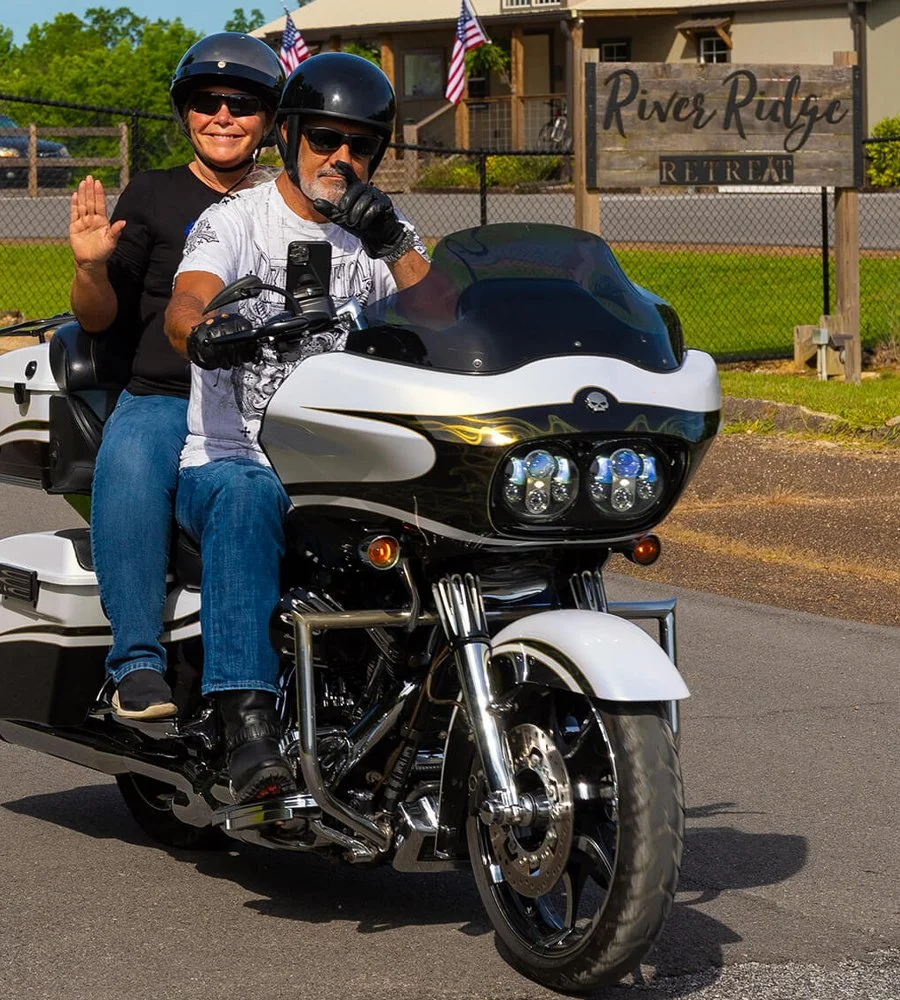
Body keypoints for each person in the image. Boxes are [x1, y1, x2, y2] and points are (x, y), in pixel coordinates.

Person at [163, 52, 430, 803]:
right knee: (248, 498)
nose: (341, 159)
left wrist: (394, 246)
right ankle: (246, 726)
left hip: (343, 469)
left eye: (360, 146)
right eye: (325, 140)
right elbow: (187, 300)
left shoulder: (379, 232)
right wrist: (203, 331)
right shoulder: (235, 219)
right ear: (289, 138)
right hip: (229, 457)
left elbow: (447, 315)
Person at [68, 33, 285, 722]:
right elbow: (99, 321)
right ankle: (134, 663)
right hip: (165, 394)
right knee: (131, 463)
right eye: (206, 102)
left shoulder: (293, 202)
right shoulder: (155, 194)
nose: (222, 116)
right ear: (185, 114)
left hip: (275, 402)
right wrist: (91, 267)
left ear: (269, 119)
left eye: (242, 104)